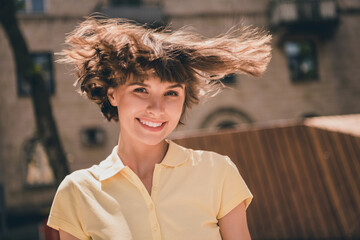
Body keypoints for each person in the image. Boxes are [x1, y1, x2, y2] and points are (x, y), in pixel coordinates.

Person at [47, 17, 271, 240]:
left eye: (171, 93)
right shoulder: (77, 192)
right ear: (113, 94)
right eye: (141, 90)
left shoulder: (218, 172)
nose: (157, 108)